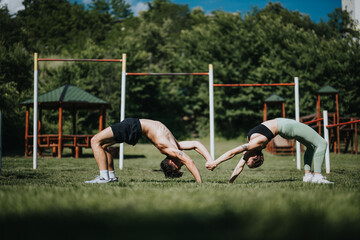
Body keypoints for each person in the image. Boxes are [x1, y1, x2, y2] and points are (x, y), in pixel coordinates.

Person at [206, 118, 333, 184]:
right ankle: (316, 176)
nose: (244, 158)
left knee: (313, 146)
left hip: (287, 127)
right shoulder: (254, 145)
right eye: (247, 160)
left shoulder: (253, 145)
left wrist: (215, 163)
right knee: (322, 143)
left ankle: (310, 175)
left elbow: (233, 154)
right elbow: (239, 164)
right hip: (286, 127)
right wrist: (230, 183)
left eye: (247, 160)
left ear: (254, 155)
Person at [85, 118, 213, 184]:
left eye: (179, 166)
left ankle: (103, 177)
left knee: (95, 141)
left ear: (172, 163)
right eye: (180, 166)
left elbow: (189, 161)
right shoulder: (175, 146)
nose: (182, 164)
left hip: (133, 127)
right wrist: (209, 160)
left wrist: (200, 183)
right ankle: (110, 177)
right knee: (102, 145)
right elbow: (196, 145)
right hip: (134, 126)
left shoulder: (167, 148)